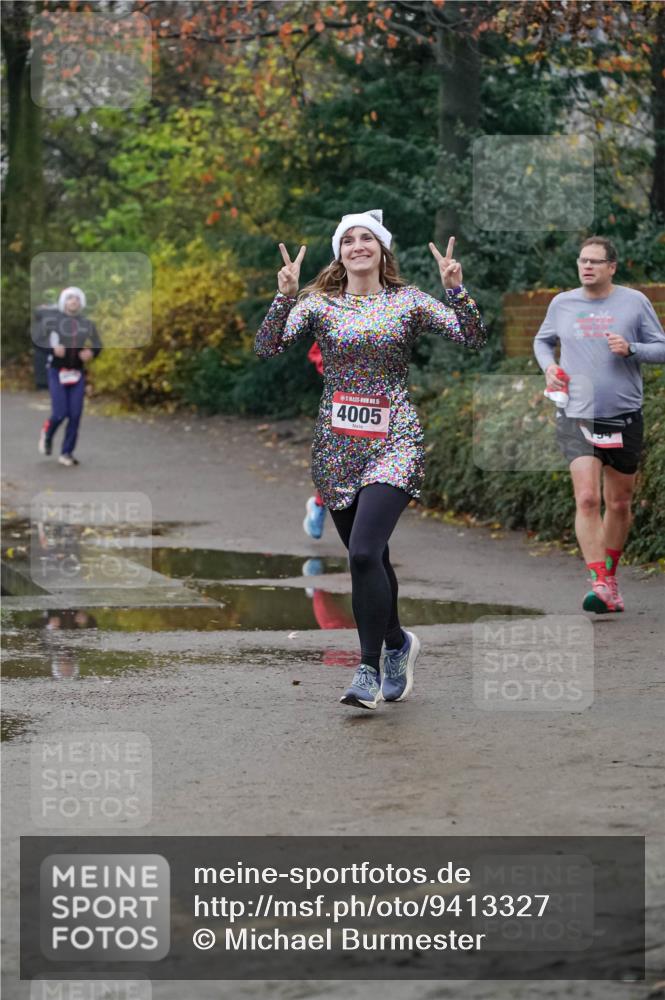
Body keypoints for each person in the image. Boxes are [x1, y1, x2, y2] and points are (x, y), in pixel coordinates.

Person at [255, 210, 486, 709]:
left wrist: (455, 289)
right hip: (336, 449)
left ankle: (367, 669)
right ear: (339, 253)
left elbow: (472, 338)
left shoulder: (407, 302)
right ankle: (398, 642)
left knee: (361, 552)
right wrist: (285, 295)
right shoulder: (319, 305)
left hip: (394, 443)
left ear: (382, 249)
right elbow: (267, 347)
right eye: (348, 240)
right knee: (372, 557)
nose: (358, 245)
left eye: (368, 238)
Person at [534, 236, 665, 613]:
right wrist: (550, 368)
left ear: (612, 267)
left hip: (623, 415)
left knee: (619, 502)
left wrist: (633, 348)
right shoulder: (562, 303)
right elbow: (542, 342)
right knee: (588, 498)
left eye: (595, 261)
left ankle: (610, 575)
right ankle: (600, 581)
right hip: (577, 413)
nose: (587, 267)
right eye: (582, 261)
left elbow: (661, 347)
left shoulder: (634, 302)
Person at [36, 286, 102, 466]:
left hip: (77, 373)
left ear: (81, 303)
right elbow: (38, 340)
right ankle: (47, 434)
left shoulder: (87, 323)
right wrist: (52, 349)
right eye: (70, 298)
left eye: (77, 298)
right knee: (59, 413)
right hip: (57, 371)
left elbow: (98, 344)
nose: (74, 301)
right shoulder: (53, 321)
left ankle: (67, 453)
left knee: (75, 414)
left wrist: (91, 353)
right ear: (64, 302)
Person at [303, 342, 327, 539]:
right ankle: (319, 506)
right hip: (342, 403)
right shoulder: (338, 315)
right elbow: (316, 352)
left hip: (379, 407)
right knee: (335, 464)